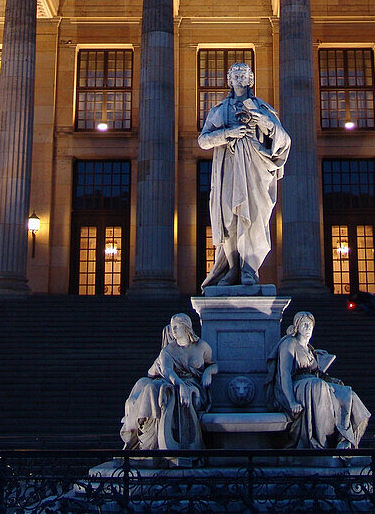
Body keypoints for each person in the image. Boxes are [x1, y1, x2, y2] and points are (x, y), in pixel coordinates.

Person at [198, 62, 290, 289]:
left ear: (251, 80)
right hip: (228, 168)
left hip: (255, 168)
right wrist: (227, 133)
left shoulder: (262, 108)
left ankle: (250, 269)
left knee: (254, 219)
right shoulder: (219, 110)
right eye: (235, 76)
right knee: (229, 219)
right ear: (229, 80)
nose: (239, 79)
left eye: (244, 76)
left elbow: (284, 140)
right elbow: (203, 140)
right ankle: (232, 268)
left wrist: (266, 124)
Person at [266, 311, 371, 449]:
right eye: (304, 324)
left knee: (348, 393)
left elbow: (317, 373)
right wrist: (291, 401)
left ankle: (344, 440)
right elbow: (284, 374)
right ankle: (320, 442)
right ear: (297, 326)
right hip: (297, 386)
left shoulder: (310, 349)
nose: (308, 328)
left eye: (310, 325)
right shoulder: (289, 343)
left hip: (314, 382)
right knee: (318, 386)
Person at [120, 313, 217, 451]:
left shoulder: (202, 346)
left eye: (176, 326)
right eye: (172, 327)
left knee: (163, 389)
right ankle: (147, 431)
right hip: (175, 382)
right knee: (156, 387)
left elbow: (213, 364)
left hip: (195, 386)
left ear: (186, 326)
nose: (174, 330)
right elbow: (167, 371)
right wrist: (180, 384)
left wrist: (209, 371)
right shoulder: (168, 350)